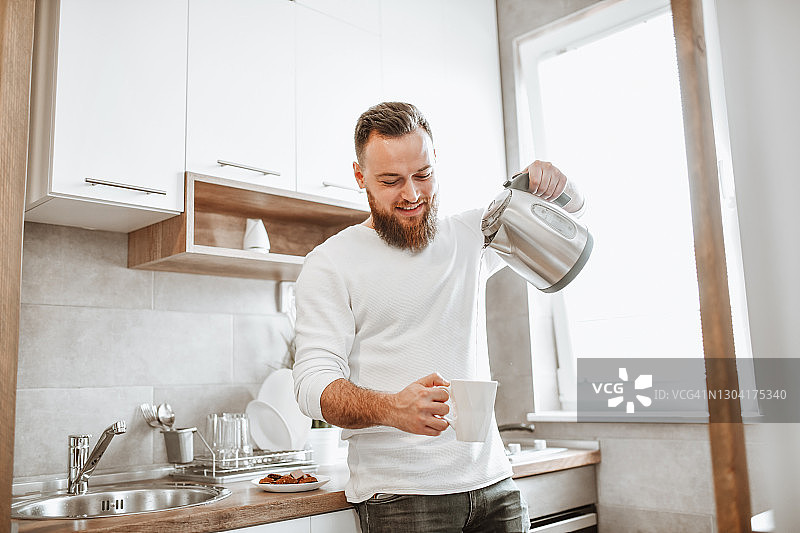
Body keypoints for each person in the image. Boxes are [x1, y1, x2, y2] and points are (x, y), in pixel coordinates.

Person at [293, 102, 584, 532]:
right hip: (402, 498)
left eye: (423, 175)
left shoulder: (471, 236)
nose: (411, 195)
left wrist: (558, 185)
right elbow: (311, 387)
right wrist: (391, 408)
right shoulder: (330, 263)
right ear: (360, 178)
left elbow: (570, 217)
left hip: (494, 485)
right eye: (391, 181)